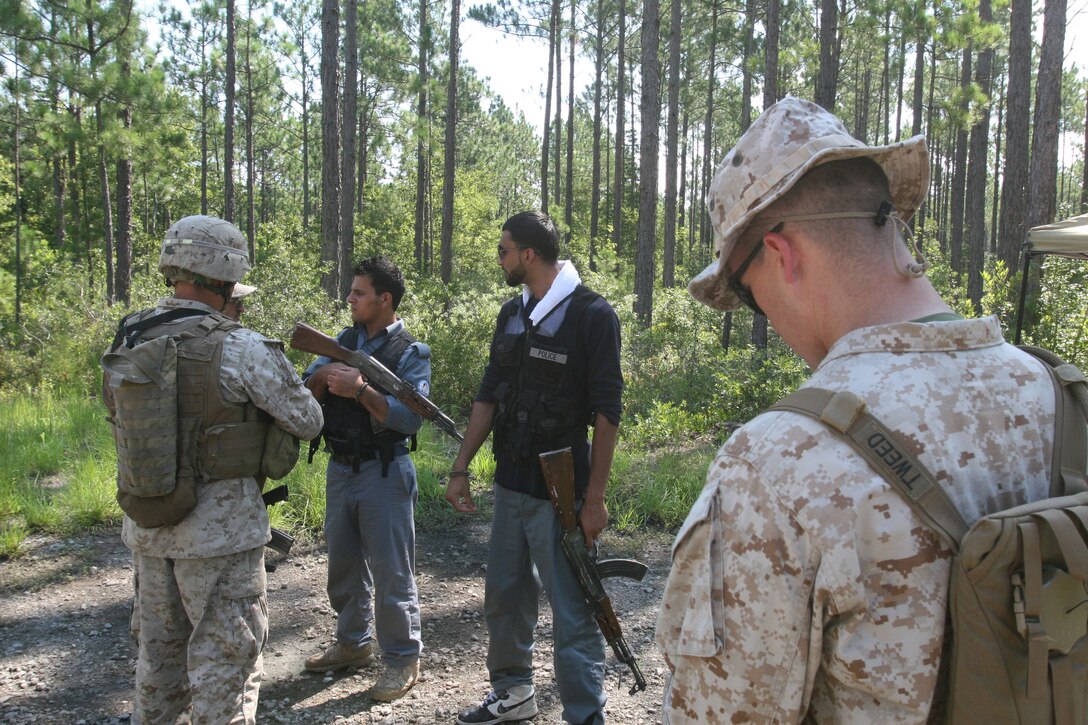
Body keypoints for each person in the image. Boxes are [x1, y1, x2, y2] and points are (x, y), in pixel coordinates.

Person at [655, 96, 1058, 723]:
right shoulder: (1058, 391)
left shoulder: (777, 462)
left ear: (782, 256)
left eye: (751, 297)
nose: (772, 325)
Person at [105, 215, 324, 724]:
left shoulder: (130, 338)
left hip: (148, 525)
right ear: (227, 276)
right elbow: (308, 421)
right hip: (219, 536)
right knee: (226, 669)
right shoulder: (242, 346)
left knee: (157, 668)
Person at [444, 211, 623, 725]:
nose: (498, 259)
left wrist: (595, 498)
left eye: (503, 250)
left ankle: (585, 715)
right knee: (504, 596)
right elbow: (489, 394)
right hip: (510, 485)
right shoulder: (511, 314)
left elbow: (607, 412)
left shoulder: (592, 315)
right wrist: (461, 467)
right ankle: (513, 695)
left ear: (527, 255)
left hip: (562, 494)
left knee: (573, 611)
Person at [302, 256, 430, 703]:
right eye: (352, 291)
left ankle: (401, 659)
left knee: (393, 573)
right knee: (343, 565)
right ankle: (351, 644)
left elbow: (410, 421)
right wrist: (324, 375)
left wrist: (361, 389)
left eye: (358, 293)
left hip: (384, 471)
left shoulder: (412, 354)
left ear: (384, 300)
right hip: (339, 468)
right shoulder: (341, 341)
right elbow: (305, 388)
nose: (349, 299)